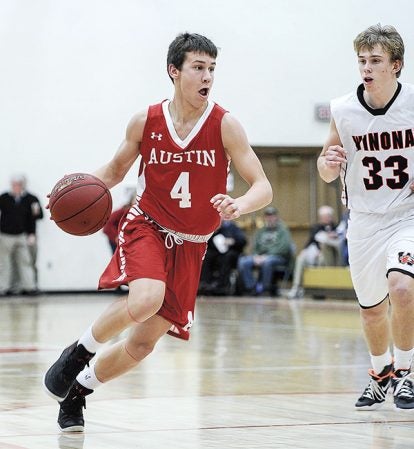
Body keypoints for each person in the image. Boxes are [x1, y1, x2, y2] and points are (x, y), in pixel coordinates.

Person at [43, 32, 272, 432]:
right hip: (148, 224)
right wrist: (68, 186)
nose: (207, 77)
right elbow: (113, 172)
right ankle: (77, 353)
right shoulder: (145, 120)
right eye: (198, 68)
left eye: (212, 69)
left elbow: (262, 186)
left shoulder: (225, 124)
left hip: (192, 245)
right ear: (174, 71)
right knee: (147, 297)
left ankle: (78, 391)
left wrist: (241, 204)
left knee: (142, 344)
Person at [318, 24, 414, 411]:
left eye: (375, 61)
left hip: (407, 216)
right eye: (362, 61)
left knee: (403, 289)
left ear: (396, 65)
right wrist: (328, 161)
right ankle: (380, 372)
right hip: (363, 220)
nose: (366, 68)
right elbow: (325, 170)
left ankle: (406, 372)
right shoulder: (343, 109)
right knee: (372, 311)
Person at [287, 205, 345, 299]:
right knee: (300, 259)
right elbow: (310, 241)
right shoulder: (316, 227)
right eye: (322, 217)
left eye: (326, 216)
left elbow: (338, 242)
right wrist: (304, 250)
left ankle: (319, 289)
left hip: (328, 256)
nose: (324, 219)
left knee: (322, 259)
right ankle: (296, 287)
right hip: (314, 252)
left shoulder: (336, 227)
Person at [0, 174, 42, 296]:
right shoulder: (4, 197)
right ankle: (4, 288)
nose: (16, 187)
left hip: (22, 235)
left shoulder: (30, 199)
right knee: (4, 263)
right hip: (5, 235)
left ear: (23, 185)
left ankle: (29, 287)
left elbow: (36, 217)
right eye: (13, 185)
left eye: (18, 184)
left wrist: (32, 234)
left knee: (26, 261)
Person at [237, 206, 293, 296]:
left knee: (268, 262)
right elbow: (255, 246)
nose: (270, 218)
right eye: (268, 216)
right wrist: (255, 256)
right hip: (261, 256)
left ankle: (265, 288)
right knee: (243, 261)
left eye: (272, 216)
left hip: (278, 257)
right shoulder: (261, 231)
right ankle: (252, 288)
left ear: (276, 217)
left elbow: (284, 247)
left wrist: (266, 256)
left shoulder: (283, 230)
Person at [198, 218, 246, 296]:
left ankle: (222, 286)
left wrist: (232, 241)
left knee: (226, 258)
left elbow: (242, 241)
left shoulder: (233, 227)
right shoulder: (216, 228)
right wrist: (215, 232)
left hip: (231, 253)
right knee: (207, 256)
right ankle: (205, 283)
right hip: (217, 253)